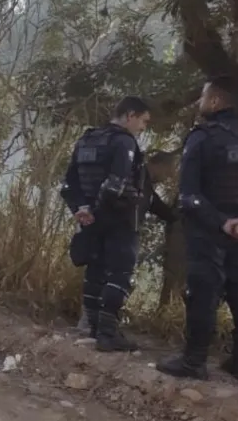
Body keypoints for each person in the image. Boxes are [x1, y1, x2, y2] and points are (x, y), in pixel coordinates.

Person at [157, 76, 238, 383]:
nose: (201, 103)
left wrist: (223, 222)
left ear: (215, 101)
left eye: (203, 98)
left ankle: (194, 362)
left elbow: (189, 196)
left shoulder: (202, 138)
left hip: (210, 231)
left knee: (203, 291)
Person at [60, 96, 175, 352]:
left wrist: (82, 209)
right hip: (119, 220)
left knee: (95, 271)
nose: (144, 127)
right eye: (144, 121)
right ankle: (108, 334)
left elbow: (69, 185)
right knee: (120, 274)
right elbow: (116, 186)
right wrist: (97, 213)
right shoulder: (124, 142)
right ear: (130, 115)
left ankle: (89, 327)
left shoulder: (86, 139)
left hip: (90, 219)